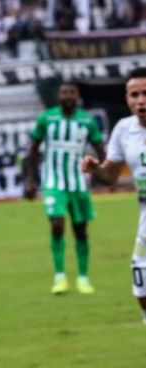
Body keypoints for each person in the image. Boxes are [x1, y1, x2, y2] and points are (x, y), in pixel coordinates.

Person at [25, 82, 105, 295]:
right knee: (57, 225)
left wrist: (102, 172)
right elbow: (33, 148)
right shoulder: (47, 118)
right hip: (53, 182)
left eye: (71, 92)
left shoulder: (86, 121)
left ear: (77, 96)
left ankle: (83, 277)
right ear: (59, 96)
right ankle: (60, 277)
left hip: (78, 183)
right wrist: (31, 179)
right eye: (63, 92)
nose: (67, 95)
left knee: (80, 231)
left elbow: (100, 148)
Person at [80, 67, 146, 325]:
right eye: (135, 94)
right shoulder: (124, 129)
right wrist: (98, 170)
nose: (141, 100)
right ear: (127, 98)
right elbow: (111, 177)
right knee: (140, 282)